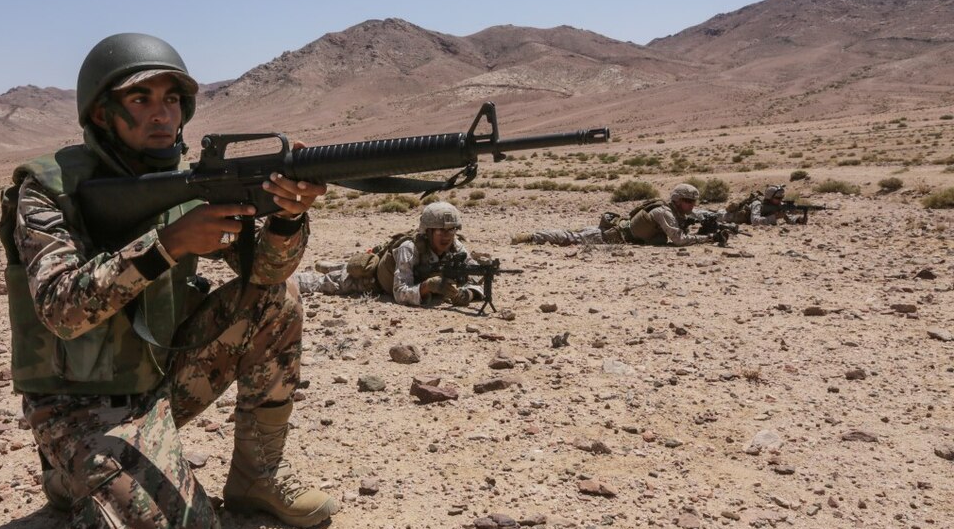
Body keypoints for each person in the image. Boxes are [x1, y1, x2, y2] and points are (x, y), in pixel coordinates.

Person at [0, 33, 337, 529]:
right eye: (141, 99)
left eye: (173, 99)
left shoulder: (191, 180)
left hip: (159, 379)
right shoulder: (50, 188)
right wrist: (168, 245)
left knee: (275, 301)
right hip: (76, 404)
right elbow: (61, 310)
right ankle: (73, 483)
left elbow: (267, 277)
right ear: (102, 114)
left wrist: (286, 217)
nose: (163, 115)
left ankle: (256, 476)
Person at [296, 201, 484, 307]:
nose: (447, 237)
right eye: (441, 231)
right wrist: (428, 286)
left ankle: (331, 264)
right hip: (370, 281)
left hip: (393, 275)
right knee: (324, 282)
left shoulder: (455, 246)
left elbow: (477, 275)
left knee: (338, 267)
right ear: (428, 232)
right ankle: (294, 277)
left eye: (451, 231)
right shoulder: (408, 248)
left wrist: (467, 294)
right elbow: (400, 293)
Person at [511, 183, 728, 247]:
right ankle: (532, 237)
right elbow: (678, 239)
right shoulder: (664, 212)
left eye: (693, 202)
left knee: (576, 235)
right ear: (678, 200)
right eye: (688, 202)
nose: (691, 206)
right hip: (613, 236)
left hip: (621, 232)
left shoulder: (675, 210)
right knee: (571, 238)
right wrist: (708, 238)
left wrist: (720, 219)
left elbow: (700, 215)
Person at [722, 184, 803, 225]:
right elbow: (755, 221)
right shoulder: (757, 203)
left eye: (782, 197)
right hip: (727, 217)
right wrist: (775, 217)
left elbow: (786, 216)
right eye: (778, 198)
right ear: (769, 197)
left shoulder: (778, 204)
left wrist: (798, 219)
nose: (780, 200)